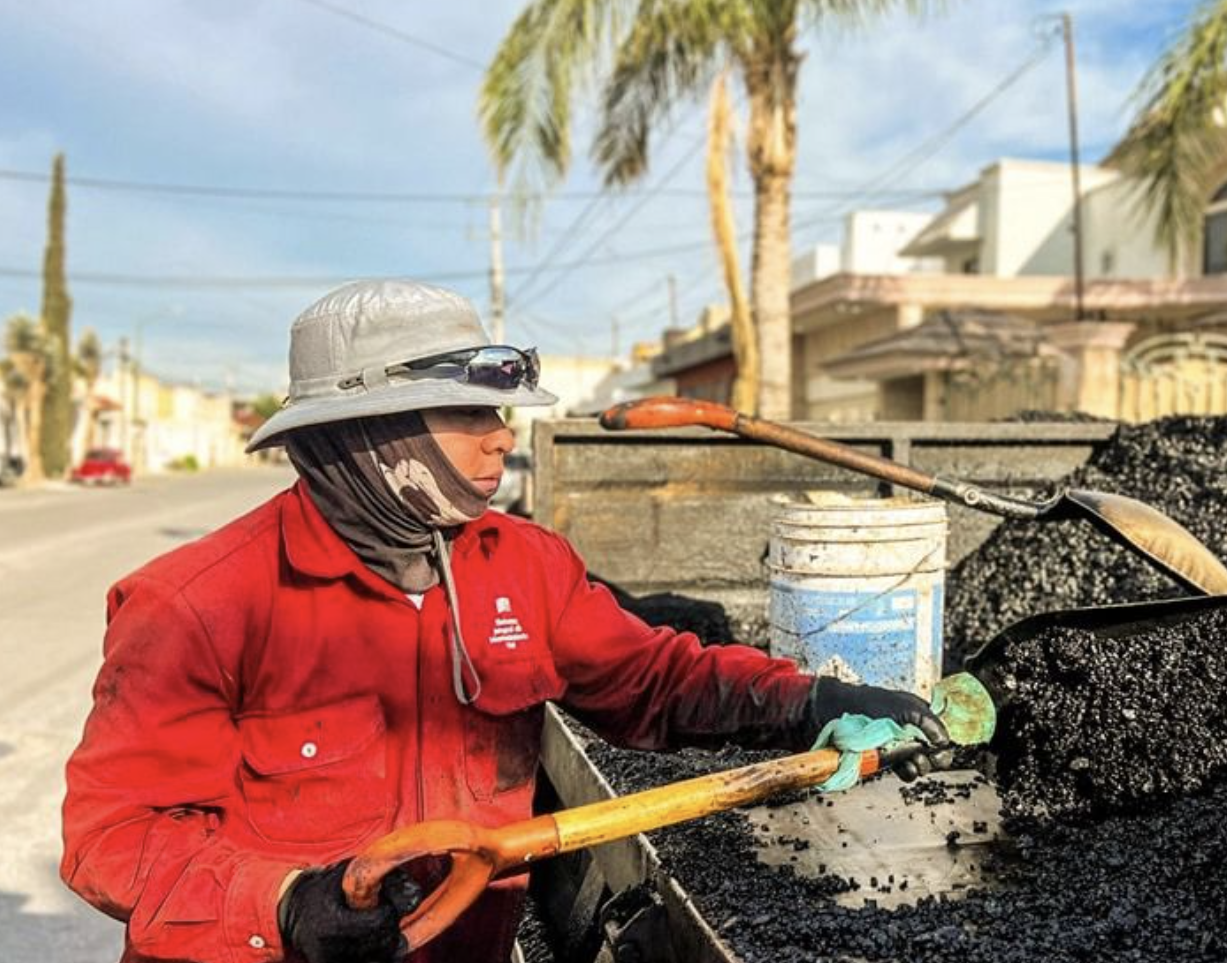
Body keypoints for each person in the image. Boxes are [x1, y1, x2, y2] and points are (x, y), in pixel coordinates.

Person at [60, 280, 951, 963]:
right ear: (365, 433)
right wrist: (286, 903)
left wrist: (806, 700)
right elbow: (114, 838)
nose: (502, 437)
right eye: (469, 411)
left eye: (498, 412)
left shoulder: (523, 565)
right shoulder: (195, 605)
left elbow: (652, 679)